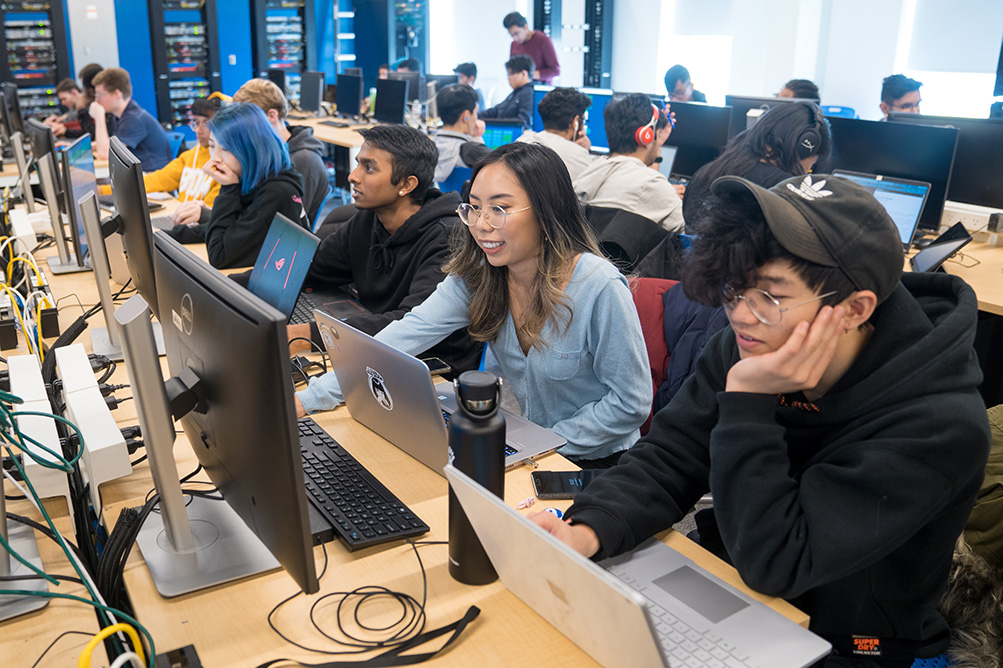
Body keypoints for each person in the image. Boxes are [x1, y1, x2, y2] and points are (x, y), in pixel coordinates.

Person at [532, 172, 990, 666]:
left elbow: (780, 562)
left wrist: (748, 399)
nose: (741, 315)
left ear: (855, 308)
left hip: (853, 638)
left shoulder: (939, 423)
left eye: (770, 296)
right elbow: (672, 455)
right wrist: (590, 528)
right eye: (735, 285)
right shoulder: (753, 337)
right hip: (727, 578)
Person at [296, 142, 651, 467]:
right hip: (533, 450)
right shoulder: (481, 274)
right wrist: (308, 400)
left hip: (599, 460)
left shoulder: (598, 286)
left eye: (499, 209)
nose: (481, 225)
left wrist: (543, 446)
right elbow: (399, 339)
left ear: (546, 211)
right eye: (475, 208)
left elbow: (629, 403)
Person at [288, 124, 482, 378]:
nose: (353, 176)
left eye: (369, 168)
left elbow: (411, 325)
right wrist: (233, 290)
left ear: (406, 184)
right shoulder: (369, 220)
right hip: (374, 349)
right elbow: (311, 266)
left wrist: (306, 335)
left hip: (429, 370)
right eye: (358, 164)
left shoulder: (448, 238)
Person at [165, 102, 307, 269]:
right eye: (212, 146)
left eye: (224, 149)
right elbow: (235, 227)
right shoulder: (251, 177)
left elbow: (219, 255)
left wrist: (228, 189)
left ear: (251, 149)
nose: (215, 158)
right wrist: (168, 236)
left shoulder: (276, 193)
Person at [681, 101, 831, 223]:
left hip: (696, 259)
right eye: (810, 168)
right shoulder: (786, 190)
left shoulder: (706, 172)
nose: (807, 172)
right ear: (805, 146)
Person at [574, 93, 684, 232]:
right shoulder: (654, 186)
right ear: (646, 136)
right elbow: (687, 238)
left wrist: (657, 142)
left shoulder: (590, 172)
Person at [232, 78, 329, 226]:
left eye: (248, 122)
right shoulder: (267, 153)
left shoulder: (304, 160)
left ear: (272, 116)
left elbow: (281, 224)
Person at [143, 96, 223, 227]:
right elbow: (158, 180)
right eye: (196, 122)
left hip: (198, 228)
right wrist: (103, 190)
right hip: (179, 221)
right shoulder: (189, 156)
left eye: (207, 123)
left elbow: (209, 211)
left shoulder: (223, 164)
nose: (199, 129)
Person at [89, 67, 172, 171]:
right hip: (140, 174)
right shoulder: (122, 115)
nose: (96, 100)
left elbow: (105, 154)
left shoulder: (134, 119)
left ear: (116, 94)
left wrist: (99, 116)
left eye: (99, 95)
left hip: (152, 177)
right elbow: (113, 145)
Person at [516, 87, 593, 180]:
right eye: (583, 119)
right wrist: (582, 152)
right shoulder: (578, 156)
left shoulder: (522, 141)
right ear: (575, 122)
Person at [433, 84, 490, 184]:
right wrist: (477, 138)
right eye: (475, 113)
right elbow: (501, 167)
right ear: (466, 116)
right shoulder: (473, 151)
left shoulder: (431, 146)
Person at [503, 11, 560, 84]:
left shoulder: (543, 40)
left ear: (525, 26)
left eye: (517, 33)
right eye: (512, 35)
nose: (515, 38)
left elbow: (555, 71)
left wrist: (529, 75)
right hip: (521, 88)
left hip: (540, 87)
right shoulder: (514, 44)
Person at [479, 55, 535, 129]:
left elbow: (524, 122)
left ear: (524, 73)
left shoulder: (529, 93)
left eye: (511, 74)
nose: (508, 78)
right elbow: (496, 110)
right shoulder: (515, 93)